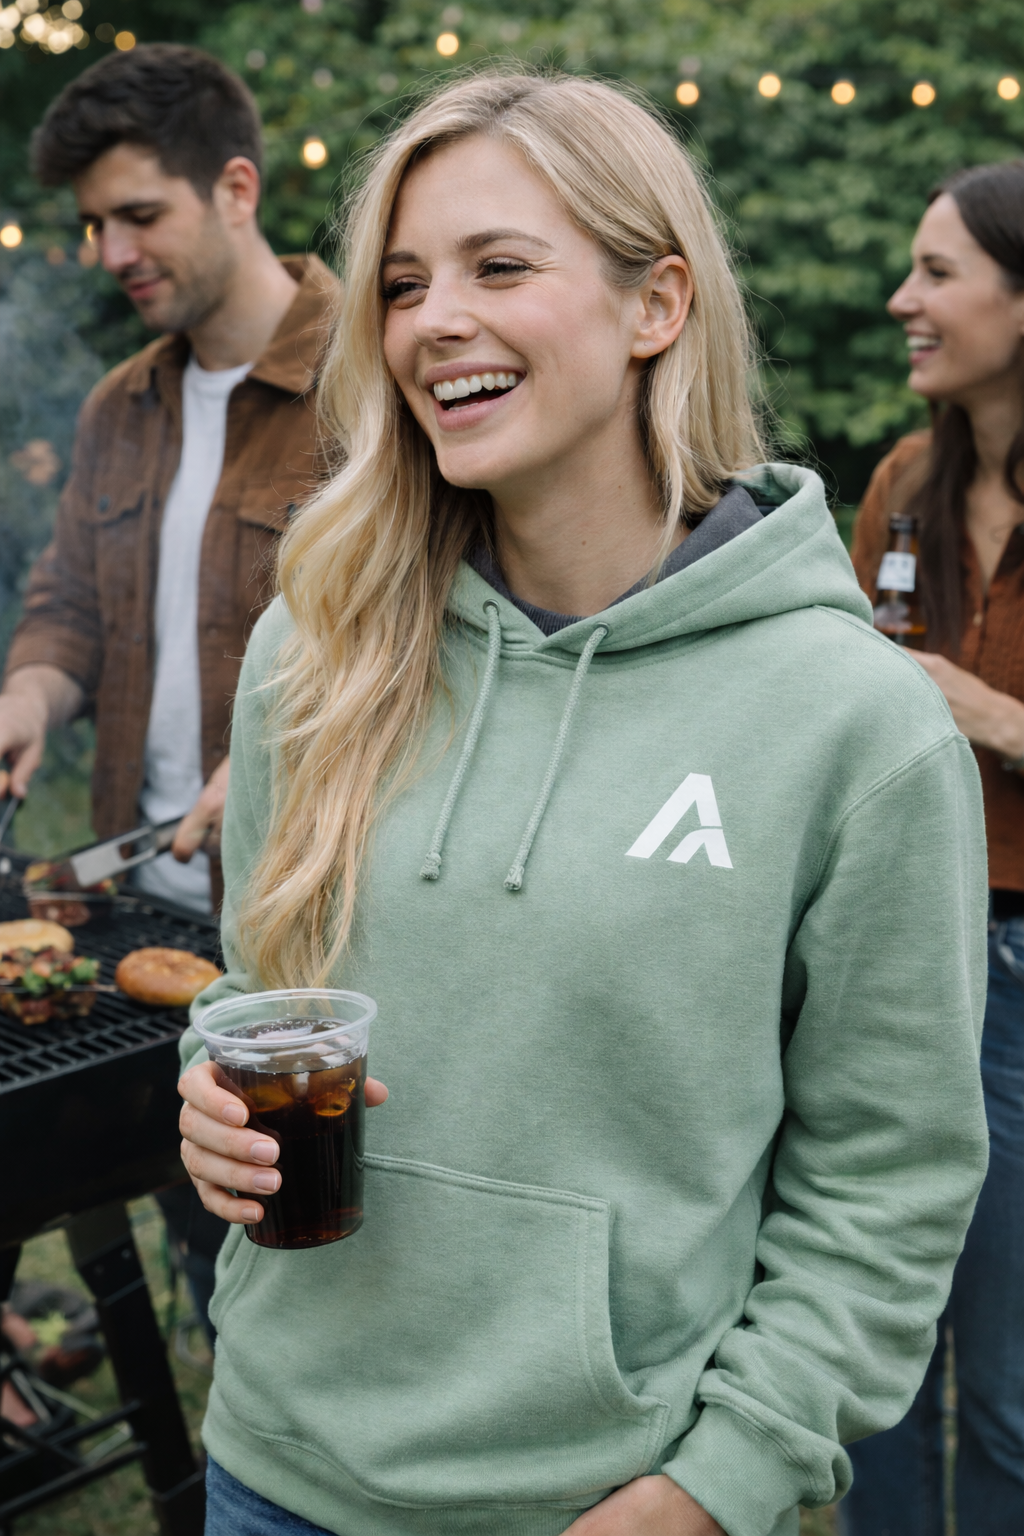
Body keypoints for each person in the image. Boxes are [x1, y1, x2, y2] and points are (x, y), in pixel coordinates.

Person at [178, 73, 988, 1536]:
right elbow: (259, 988)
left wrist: (716, 1482)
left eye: (500, 267)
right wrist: (208, 1100)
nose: (433, 322)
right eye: (406, 283)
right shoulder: (322, 643)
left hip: (605, 1500)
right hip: (277, 1463)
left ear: (655, 304)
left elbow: (887, 1182)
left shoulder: (851, 724)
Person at [0, 43, 337, 1340]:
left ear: (236, 188)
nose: (109, 250)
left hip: (309, 926)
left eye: (138, 214)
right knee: (212, 1268)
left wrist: (284, 752)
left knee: (310, 1268)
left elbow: (437, 642)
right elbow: (68, 610)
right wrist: (29, 698)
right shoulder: (117, 410)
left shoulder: (373, 385)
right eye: (92, 225)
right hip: (143, 912)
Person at [841, 159, 1024, 1536]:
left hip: (1018, 972)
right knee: (872, 1355)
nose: (905, 299)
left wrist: (990, 718)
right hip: (897, 958)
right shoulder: (903, 482)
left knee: (1011, 1388)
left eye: (939, 273)